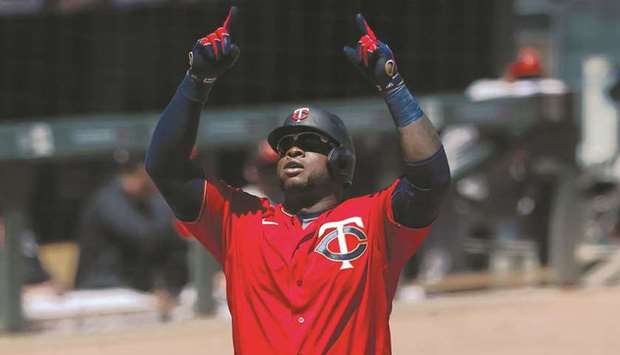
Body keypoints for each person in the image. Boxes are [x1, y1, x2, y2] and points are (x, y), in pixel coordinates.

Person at [146, 8, 450, 354]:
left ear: (341, 160)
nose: (292, 151)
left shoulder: (375, 219)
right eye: (285, 146)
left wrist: (393, 87)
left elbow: (432, 179)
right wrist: (196, 80)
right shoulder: (240, 221)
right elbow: (164, 167)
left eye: (309, 143)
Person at [74, 153, 189, 319]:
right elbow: (145, 237)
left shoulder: (148, 200)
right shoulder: (108, 200)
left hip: (133, 292)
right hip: (101, 290)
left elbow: (176, 240)